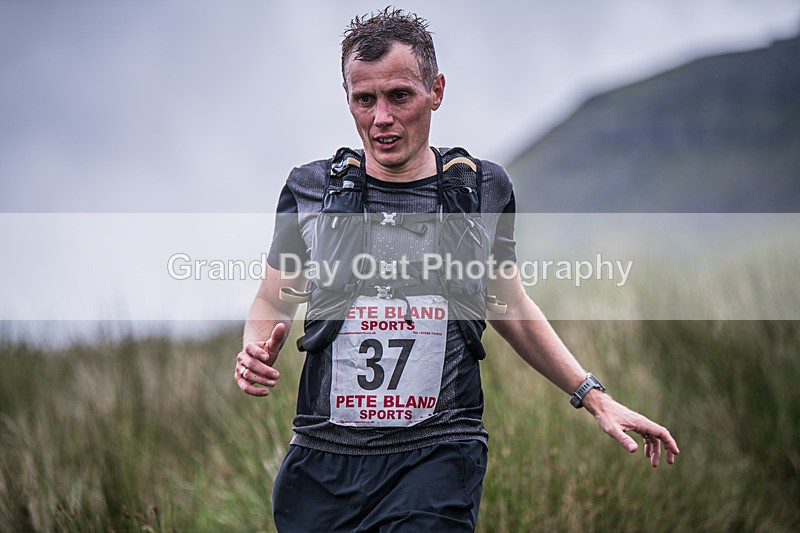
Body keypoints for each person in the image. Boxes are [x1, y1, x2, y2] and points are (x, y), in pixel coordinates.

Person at [234, 7, 679, 532]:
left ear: (436, 90)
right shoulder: (310, 190)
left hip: (437, 457)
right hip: (322, 464)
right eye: (364, 99)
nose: (381, 118)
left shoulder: (481, 190)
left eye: (400, 96)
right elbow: (272, 299)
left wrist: (596, 399)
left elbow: (508, 304)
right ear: (348, 99)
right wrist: (255, 350)